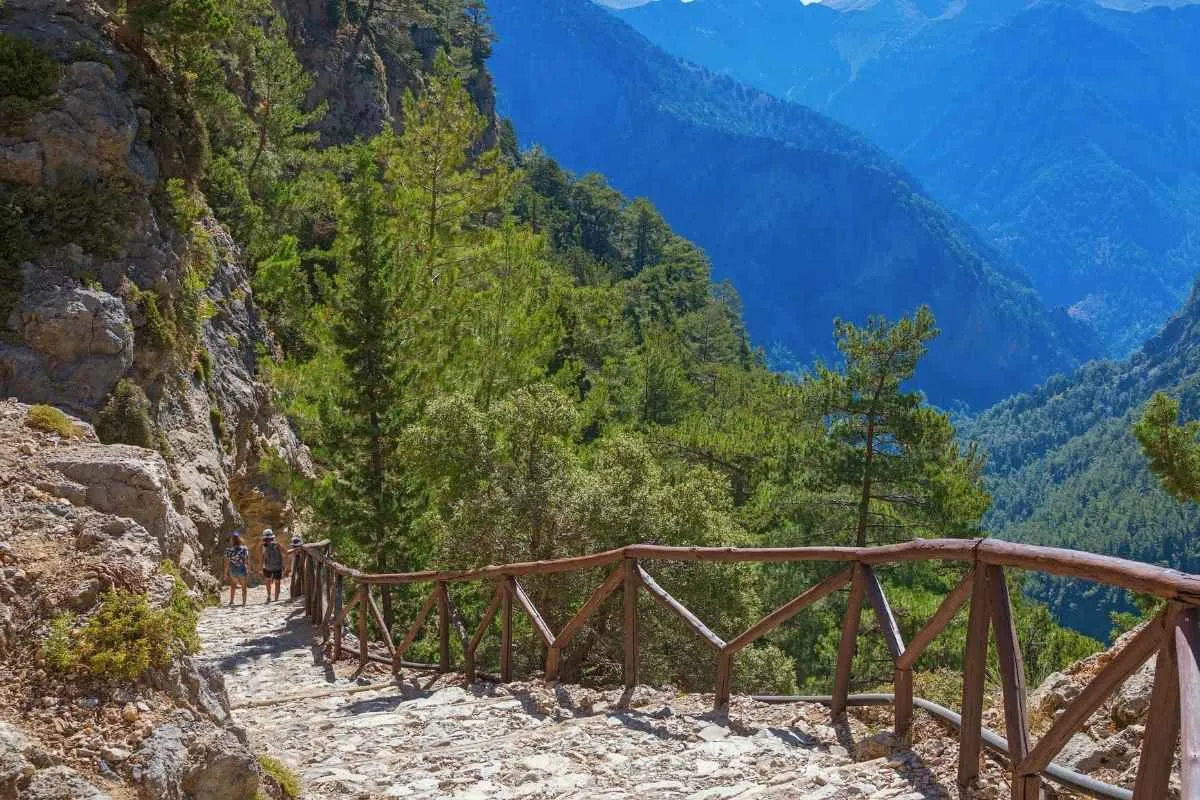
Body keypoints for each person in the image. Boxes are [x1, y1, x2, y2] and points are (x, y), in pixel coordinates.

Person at [224, 532, 249, 607]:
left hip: (233, 570)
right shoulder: (244, 549)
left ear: (232, 540)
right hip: (242, 569)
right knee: (244, 586)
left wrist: (225, 573)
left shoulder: (228, 550)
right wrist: (248, 569)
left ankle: (231, 601)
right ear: (240, 539)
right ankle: (244, 603)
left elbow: (227, 563)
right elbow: (246, 560)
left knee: (233, 585)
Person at [261, 529, 284, 603]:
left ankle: (269, 596)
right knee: (277, 583)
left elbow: (262, 556)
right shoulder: (277, 544)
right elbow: (283, 554)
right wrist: (283, 564)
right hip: (277, 566)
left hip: (267, 567)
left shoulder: (263, 546)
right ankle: (276, 599)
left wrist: (261, 567)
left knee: (268, 581)